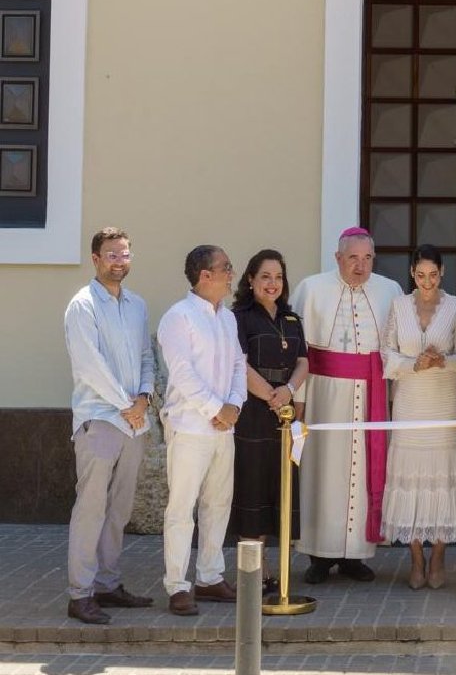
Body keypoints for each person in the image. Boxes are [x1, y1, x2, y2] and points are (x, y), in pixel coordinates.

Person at [290, 227, 403, 584]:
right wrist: (300, 400)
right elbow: (299, 350)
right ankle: (319, 555)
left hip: (372, 394)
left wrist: (396, 400)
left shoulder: (390, 290)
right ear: (337, 258)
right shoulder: (311, 288)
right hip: (323, 394)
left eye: (367, 257)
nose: (360, 265)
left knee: (364, 476)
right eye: (352, 257)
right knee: (322, 473)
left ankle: (356, 554)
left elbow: (397, 346)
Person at [63, 227, 156, 624]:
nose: (119, 261)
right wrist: (126, 405)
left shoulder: (137, 306)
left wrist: (144, 398)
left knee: (119, 509)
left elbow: (146, 356)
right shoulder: (82, 306)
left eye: (124, 254)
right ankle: (79, 593)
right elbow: (90, 366)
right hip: (99, 421)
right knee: (91, 507)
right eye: (111, 255)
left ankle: (107, 584)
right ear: (96, 260)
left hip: (133, 422)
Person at [158, 245, 247, 616]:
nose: (232, 273)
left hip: (223, 430)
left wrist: (235, 406)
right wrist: (216, 409)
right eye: (226, 267)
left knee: (218, 503)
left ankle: (210, 576)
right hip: (190, 426)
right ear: (204, 275)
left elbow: (240, 365)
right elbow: (181, 374)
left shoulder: (227, 318)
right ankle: (177, 584)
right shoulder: (177, 317)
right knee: (182, 508)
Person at [380, 244, 456, 590]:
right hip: (409, 403)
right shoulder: (399, 306)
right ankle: (416, 559)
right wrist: (411, 363)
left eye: (433, 275)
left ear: (442, 272)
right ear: (412, 274)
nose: (427, 281)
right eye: (420, 275)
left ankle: (438, 557)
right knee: (411, 476)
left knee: (443, 477)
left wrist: (443, 360)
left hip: (444, 401)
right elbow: (385, 353)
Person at [231, 249, 309, 593]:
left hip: (285, 418)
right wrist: (271, 396)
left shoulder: (291, 319)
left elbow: (304, 361)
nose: (272, 283)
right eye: (265, 276)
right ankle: (254, 576)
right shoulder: (239, 317)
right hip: (253, 416)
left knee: (283, 493)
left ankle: (282, 574)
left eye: (278, 277)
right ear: (251, 279)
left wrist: (289, 391)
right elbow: (240, 365)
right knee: (254, 493)